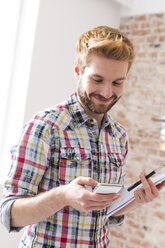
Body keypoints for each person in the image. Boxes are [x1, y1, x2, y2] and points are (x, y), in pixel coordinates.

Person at [0, 25, 165, 248]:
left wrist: (136, 199)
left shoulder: (118, 136)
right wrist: (63, 196)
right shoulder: (45, 126)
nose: (107, 93)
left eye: (117, 82)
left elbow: (106, 213)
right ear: (78, 71)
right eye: (97, 80)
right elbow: (9, 215)